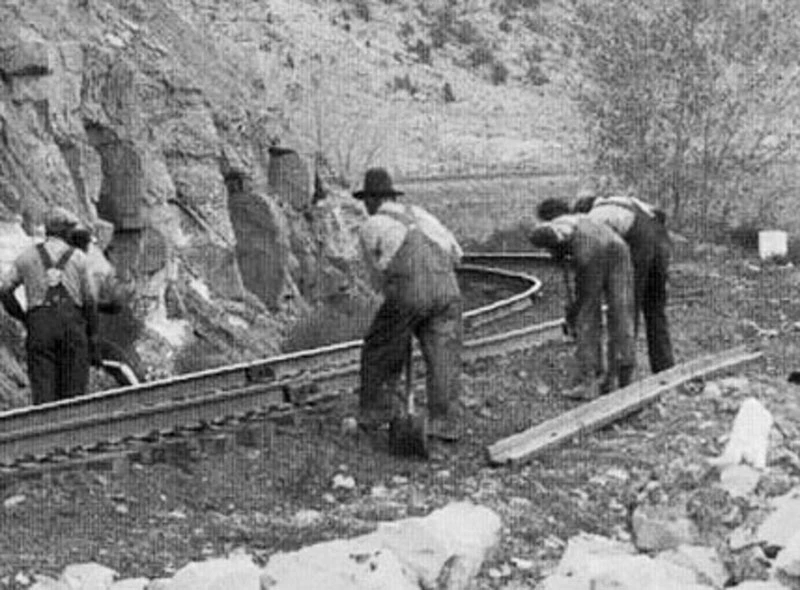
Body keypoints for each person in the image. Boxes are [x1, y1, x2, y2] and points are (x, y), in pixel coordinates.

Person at [354, 167, 464, 441]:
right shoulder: (423, 215)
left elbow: (377, 277)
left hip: (408, 291)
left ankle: (378, 412)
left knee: (380, 346)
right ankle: (444, 422)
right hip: (447, 289)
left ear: (371, 200)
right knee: (443, 356)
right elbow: (457, 255)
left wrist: (396, 305)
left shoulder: (372, 225)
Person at [530, 203, 636, 399]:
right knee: (621, 311)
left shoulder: (559, 223)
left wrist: (551, 245)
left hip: (590, 248)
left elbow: (545, 234)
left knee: (587, 315)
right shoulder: (588, 218)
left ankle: (589, 382)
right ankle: (622, 377)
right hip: (619, 246)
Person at [0, 207, 99, 404]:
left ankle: (46, 431)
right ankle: (72, 432)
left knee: (44, 393)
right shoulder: (79, 258)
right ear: (66, 232)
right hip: (72, 326)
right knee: (74, 395)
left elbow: (4, 290)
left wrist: (24, 317)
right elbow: (90, 301)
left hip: (40, 325)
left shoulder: (26, 257)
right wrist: (92, 337)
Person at [572, 192, 675, 373]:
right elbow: (660, 216)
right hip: (661, 241)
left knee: (626, 309)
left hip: (639, 243)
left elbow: (596, 255)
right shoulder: (627, 200)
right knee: (655, 309)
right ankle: (664, 367)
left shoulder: (594, 216)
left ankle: (622, 372)